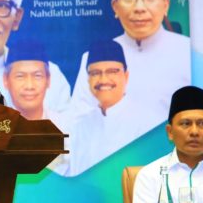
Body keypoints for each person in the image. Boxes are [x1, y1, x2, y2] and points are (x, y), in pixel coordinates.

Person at [70, 0, 191, 129]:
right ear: (115, 6)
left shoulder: (188, 54)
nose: (139, 8)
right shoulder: (94, 58)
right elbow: (78, 124)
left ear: (165, 5)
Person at [55, 40, 158, 176]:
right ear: (88, 79)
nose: (103, 80)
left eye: (112, 72)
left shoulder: (148, 124)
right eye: (95, 73)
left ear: (126, 76)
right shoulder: (78, 127)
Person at [2, 39, 53, 120]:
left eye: (37, 76)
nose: (29, 86)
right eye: (20, 76)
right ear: (6, 80)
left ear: (48, 80)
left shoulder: (64, 125)